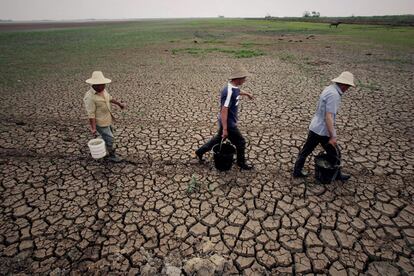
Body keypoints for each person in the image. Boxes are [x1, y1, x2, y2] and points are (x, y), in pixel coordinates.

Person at [293, 71, 355, 181]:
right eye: (348, 86)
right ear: (344, 85)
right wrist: (333, 136)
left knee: (306, 150)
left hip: (315, 127)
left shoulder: (329, 89)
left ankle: (297, 171)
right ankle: (336, 175)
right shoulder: (334, 95)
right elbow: (328, 117)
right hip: (322, 130)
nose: (348, 89)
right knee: (335, 154)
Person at [195, 65, 254, 170]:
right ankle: (241, 163)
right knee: (241, 142)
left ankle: (200, 151)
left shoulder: (233, 87)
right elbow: (224, 110)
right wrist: (226, 129)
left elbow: (237, 92)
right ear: (238, 78)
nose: (245, 80)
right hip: (229, 123)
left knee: (218, 139)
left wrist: (247, 94)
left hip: (227, 122)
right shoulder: (228, 91)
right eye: (244, 78)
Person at [83, 71, 126, 163]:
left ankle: (104, 145)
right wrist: (93, 128)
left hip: (108, 119)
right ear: (93, 84)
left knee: (107, 136)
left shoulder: (103, 90)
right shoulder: (89, 97)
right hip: (100, 123)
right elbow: (91, 115)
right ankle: (112, 156)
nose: (102, 87)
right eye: (99, 85)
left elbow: (109, 98)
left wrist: (119, 104)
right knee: (110, 138)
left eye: (103, 85)